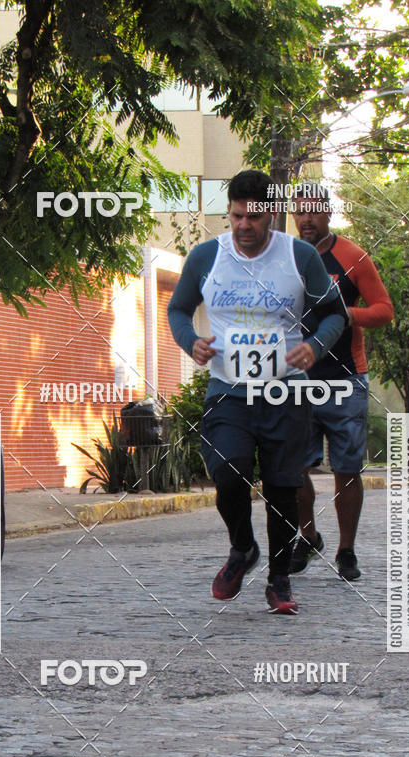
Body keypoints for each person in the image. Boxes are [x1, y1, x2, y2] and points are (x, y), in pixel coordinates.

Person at [167, 170, 346, 614]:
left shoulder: (299, 256)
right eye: (236, 216)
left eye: (254, 216)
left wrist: (314, 345)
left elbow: (334, 314)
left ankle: (280, 578)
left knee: (284, 487)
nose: (244, 225)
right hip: (229, 388)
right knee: (227, 470)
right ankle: (243, 548)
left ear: (272, 215)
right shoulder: (207, 256)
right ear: (229, 213)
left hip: (286, 391)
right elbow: (178, 308)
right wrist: (190, 341)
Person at [289, 183, 393, 581]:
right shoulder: (286, 256)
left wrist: (347, 314)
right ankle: (307, 536)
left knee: (346, 470)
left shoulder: (352, 257)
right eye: (300, 211)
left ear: (328, 213)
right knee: (292, 469)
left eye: (314, 211)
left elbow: (384, 311)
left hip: (346, 377)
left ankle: (346, 550)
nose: (306, 219)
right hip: (296, 380)